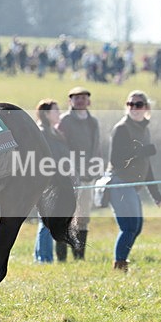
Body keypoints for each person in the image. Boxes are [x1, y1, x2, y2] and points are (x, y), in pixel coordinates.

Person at [107, 91, 161, 271]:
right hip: (120, 182)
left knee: (136, 228)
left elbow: (146, 166)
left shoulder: (144, 129)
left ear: (146, 107)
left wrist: (155, 193)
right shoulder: (122, 128)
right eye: (130, 104)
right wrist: (142, 151)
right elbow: (116, 160)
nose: (134, 108)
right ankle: (119, 265)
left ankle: (122, 261)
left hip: (133, 186)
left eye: (138, 104)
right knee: (129, 227)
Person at [57, 86, 102, 260]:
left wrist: (96, 167)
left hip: (88, 177)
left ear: (88, 101)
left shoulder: (93, 122)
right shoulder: (65, 120)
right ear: (70, 101)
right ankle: (62, 257)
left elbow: (96, 147)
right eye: (76, 98)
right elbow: (61, 148)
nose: (80, 100)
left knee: (83, 217)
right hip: (69, 178)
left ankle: (79, 256)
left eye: (83, 97)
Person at [33, 99, 71, 263]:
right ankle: (44, 258)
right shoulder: (41, 133)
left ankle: (39, 256)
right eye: (56, 111)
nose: (59, 114)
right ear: (46, 114)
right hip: (47, 182)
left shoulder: (55, 133)